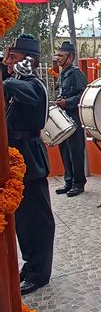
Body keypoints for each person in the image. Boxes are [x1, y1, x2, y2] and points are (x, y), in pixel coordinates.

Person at [3, 34, 55, 295]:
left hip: (30, 157)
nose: (8, 62)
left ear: (28, 60)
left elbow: (30, 97)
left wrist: (8, 77)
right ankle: (30, 264)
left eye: (13, 57)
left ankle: (40, 272)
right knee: (23, 220)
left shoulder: (33, 84)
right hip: (14, 157)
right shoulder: (15, 82)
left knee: (37, 219)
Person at [54, 41, 88, 197]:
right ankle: (69, 182)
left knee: (75, 151)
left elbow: (83, 95)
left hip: (74, 117)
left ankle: (78, 184)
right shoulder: (62, 74)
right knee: (65, 151)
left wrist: (67, 102)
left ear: (70, 57)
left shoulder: (76, 73)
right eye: (57, 55)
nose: (58, 58)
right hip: (63, 117)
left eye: (61, 55)